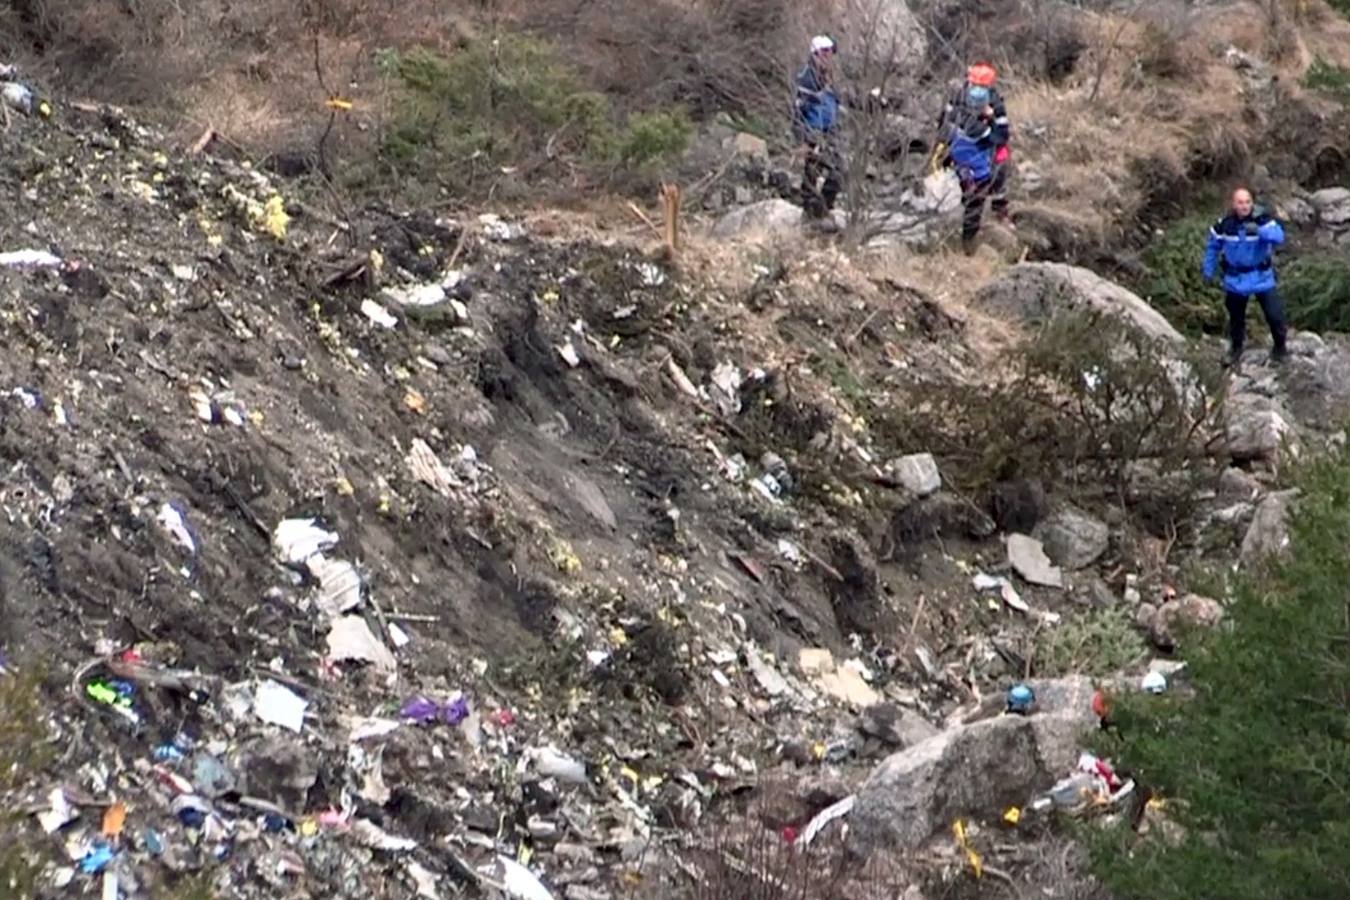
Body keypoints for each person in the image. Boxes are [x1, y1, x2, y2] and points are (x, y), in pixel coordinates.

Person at [1203, 187, 1288, 367]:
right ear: (1234, 204)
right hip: (1236, 279)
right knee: (1236, 319)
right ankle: (1235, 349)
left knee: (1275, 316)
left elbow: (1279, 237)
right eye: (1240, 202)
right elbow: (1213, 247)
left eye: (1248, 202)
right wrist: (1208, 270)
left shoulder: (1263, 220)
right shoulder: (1224, 225)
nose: (1244, 206)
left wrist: (1259, 229)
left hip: (1261, 277)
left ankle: (1280, 348)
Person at [937, 62, 1013, 239]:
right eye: (974, 84)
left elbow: (1002, 135)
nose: (977, 89)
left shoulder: (995, 104)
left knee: (999, 168)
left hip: (984, 148)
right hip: (960, 149)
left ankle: (998, 206)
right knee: (972, 191)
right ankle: (966, 233)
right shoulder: (957, 98)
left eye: (982, 86)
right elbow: (943, 123)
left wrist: (990, 123)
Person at [794, 35, 843, 219]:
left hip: (829, 132)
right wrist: (804, 140)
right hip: (813, 133)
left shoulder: (829, 78)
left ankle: (822, 210)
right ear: (815, 54)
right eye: (824, 53)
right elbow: (797, 112)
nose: (828, 57)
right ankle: (811, 214)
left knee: (838, 172)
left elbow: (841, 101)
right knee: (812, 175)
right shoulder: (807, 79)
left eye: (830, 53)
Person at [946, 110, 997, 255]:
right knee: (973, 210)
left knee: (970, 208)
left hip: (962, 173)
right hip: (978, 175)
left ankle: (966, 243)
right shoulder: (987, 131)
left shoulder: (954, 125)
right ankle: (968, 244)